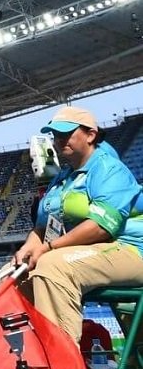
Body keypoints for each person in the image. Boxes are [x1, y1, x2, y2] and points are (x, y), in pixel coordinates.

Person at [12, 106, 143, 346]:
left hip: (132, 250)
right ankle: (35, 358)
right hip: (97, 253)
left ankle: (65, 368)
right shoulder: (61, 179)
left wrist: (49, 248)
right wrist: (28, 248)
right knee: (19, 274)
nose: (60, 140)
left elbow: (101, 227)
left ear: (91, 135)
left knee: (53, 266)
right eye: (55, 135)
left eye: (67, 133)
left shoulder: (109, 168)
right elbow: (42, 226)